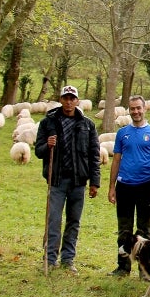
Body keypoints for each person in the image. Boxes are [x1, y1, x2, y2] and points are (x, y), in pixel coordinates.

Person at [34, 85, 101, 275]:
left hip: (78, 181)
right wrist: (47, 145)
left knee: (74, 220)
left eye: (72, 98)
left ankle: (68, 258)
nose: (69, 101)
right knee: (53, 219)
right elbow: (38, 152)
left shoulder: (87, 124)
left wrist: (94, 182)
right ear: (61, 100)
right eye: (66, 98)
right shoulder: (48, 122)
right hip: (56, 180)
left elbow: (94, 154)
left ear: (77, 101)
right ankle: (50, 258)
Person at [107, 95, 150, 277]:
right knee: (124, 229)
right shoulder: (122, 133)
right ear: (129, 110)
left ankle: (144, 269)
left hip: (145, 186)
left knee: (144, 230)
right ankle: (122, 267)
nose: (136, 112)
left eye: (139, 108)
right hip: (124, 187)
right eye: (132, 109)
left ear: (145, 108)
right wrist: (111, 187)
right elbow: (116, 160)